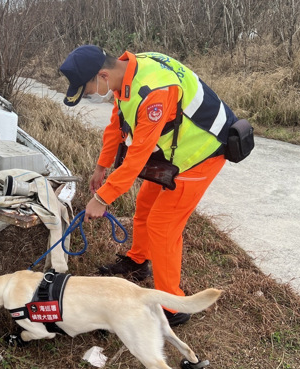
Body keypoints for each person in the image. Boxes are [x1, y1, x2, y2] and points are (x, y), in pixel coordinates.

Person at [59, 45, 238, 326]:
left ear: (103, 76)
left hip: (202, 152)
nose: (92, 95)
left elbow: (136, 157)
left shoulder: (153, 92)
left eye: (90, 90)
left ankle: (172, 306)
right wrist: (101, 167)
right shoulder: (125, 76)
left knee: (163, 225)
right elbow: (117, 126)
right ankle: (138, 261)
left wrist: (102, 199)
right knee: (144, 206)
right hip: (172, 155)